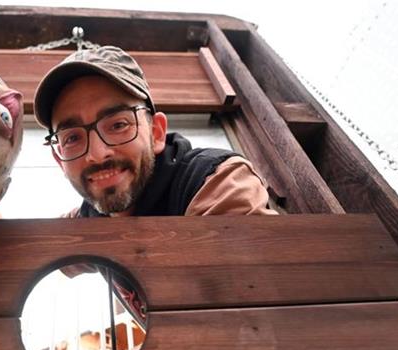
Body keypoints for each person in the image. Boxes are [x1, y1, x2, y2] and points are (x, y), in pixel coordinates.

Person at [33, 45, 277, 219]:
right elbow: (38, 249)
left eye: (118, 125)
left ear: (156, 133)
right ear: (59, 160)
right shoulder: (92, 215)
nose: (97, 154)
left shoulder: (215, 182)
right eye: (73, 138)